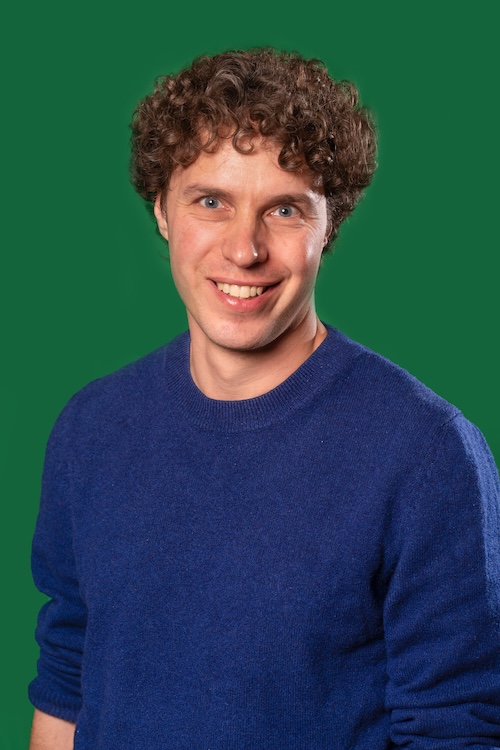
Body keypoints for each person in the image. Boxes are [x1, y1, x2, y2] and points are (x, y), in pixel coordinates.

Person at [28, 48, 500, 749]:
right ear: (161, 210)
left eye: (283, 209)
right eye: (211, 202)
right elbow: (67, 682)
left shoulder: (426, 452)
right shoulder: (90, 428)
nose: (244, 249)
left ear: (328, 226)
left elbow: (454, 727)